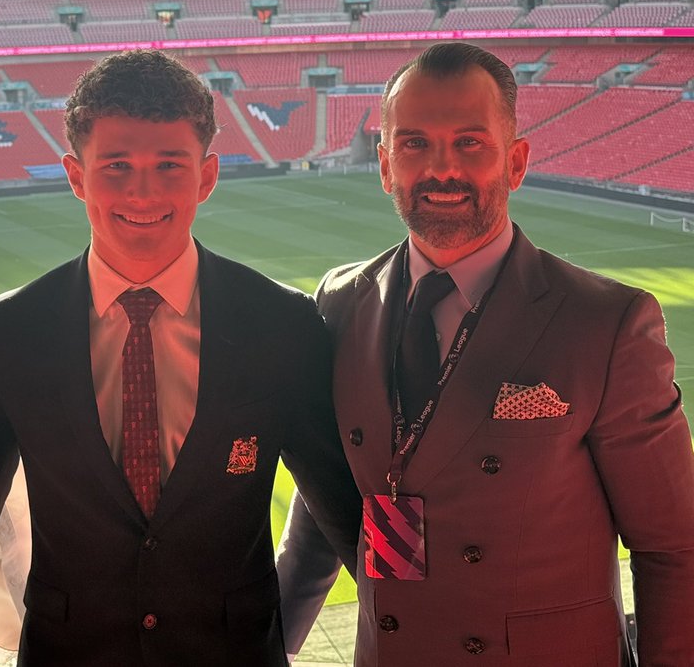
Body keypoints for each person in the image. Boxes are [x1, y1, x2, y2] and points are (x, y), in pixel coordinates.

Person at [277, 42, 694, 666]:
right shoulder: (339, 302)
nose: (441, 168)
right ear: (386, 165)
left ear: (517, 160)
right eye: (414, 143)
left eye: (470, 142)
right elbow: (322, 516)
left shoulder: (605, 323)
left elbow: (673, 548)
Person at [0, 49, 361, 666]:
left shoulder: (282, 323)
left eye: (169, 164)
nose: (142, 190)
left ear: (206, 175)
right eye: (116, 165)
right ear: (76, 175)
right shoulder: (10, 331)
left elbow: (344, 512)